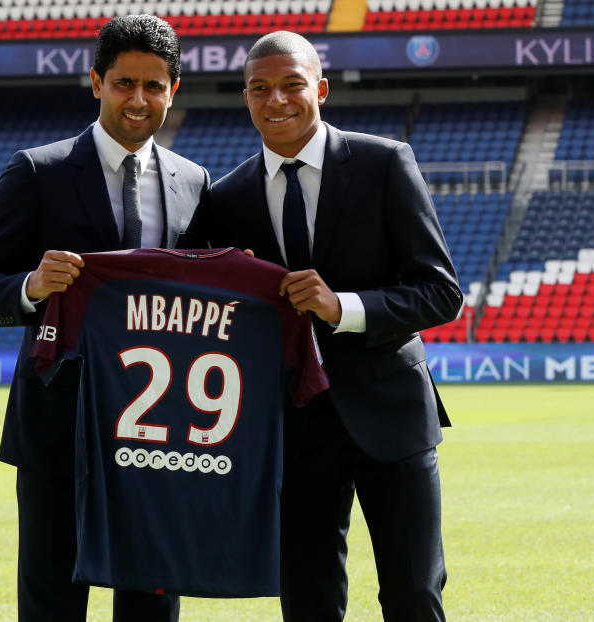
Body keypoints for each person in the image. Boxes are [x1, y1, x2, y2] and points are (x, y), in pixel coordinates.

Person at [179, 30, 462, 622]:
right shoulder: (225, 199)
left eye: (291, 85)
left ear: (322, 89)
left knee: (413, 593)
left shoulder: (386, 163)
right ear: (246, 98)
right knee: (307, 600)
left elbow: (440, 293)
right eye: (260, 89)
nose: (275, 100)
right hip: (289, 429)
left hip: (391, 417)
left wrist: (345, 308)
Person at [0, 14, 207, 622]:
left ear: (173, 89)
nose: (139, 99)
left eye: (154, 85)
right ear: (96, 82)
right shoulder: (37, 171)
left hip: (157, 433)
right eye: (124, 83)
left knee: (151, 602)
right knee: (51, 602)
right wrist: (32, 286)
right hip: (56, 426)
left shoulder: (194, 183)